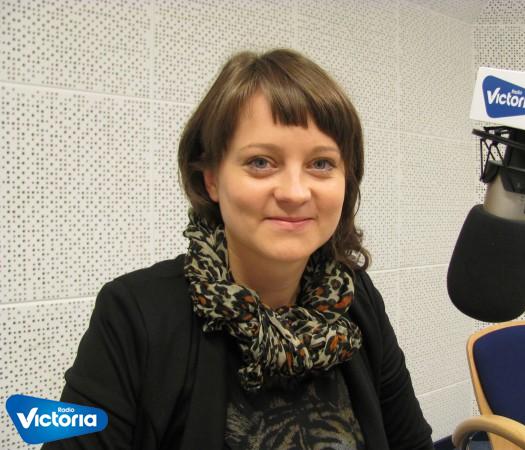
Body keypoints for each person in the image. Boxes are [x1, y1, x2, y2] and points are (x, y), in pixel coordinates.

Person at [43, 49, 434, 450]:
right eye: (261, 162)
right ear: (211, 178)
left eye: (321, 164)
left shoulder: (356, 298)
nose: (295, 192)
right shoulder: (134, 314)